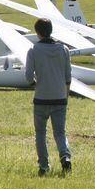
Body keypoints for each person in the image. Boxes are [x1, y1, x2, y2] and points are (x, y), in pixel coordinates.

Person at [24, 18, 72, 176]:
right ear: (51, 30)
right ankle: (65, 156)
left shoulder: (33, 50)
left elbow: (28, 76)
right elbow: (68, 76)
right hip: (59, 96)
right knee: (60, 132)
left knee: (40, 133)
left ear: (37, 32)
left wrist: (35, 84)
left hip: (41, 98)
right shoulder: (63, 49)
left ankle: (44, 166)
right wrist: (65, 96)